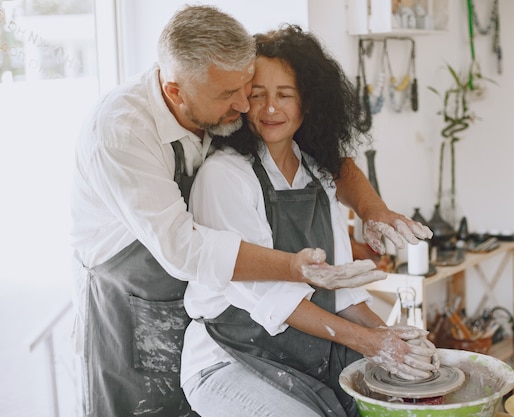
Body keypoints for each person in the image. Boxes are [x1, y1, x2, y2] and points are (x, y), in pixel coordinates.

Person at [70, 5, 432, 417]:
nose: (247, 106)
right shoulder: (124, 134)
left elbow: (335, 167)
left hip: (209, 305)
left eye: (251, 88)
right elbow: (186, 251)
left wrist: (375, 211)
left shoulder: (285, 151)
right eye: (237, 95)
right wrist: (299, 270)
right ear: (176, 92)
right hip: (133, 302)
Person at [182, 25, 437, 417]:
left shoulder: (315, 173)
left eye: (285, 95)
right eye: (257, 95)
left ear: (309, 102)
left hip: (301, 356)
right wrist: (369, 342)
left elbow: (342, 288)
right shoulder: (225, 176)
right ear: (240, 102)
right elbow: (273, 298)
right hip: (228, 359)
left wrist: (391, 337)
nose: (270, 109)